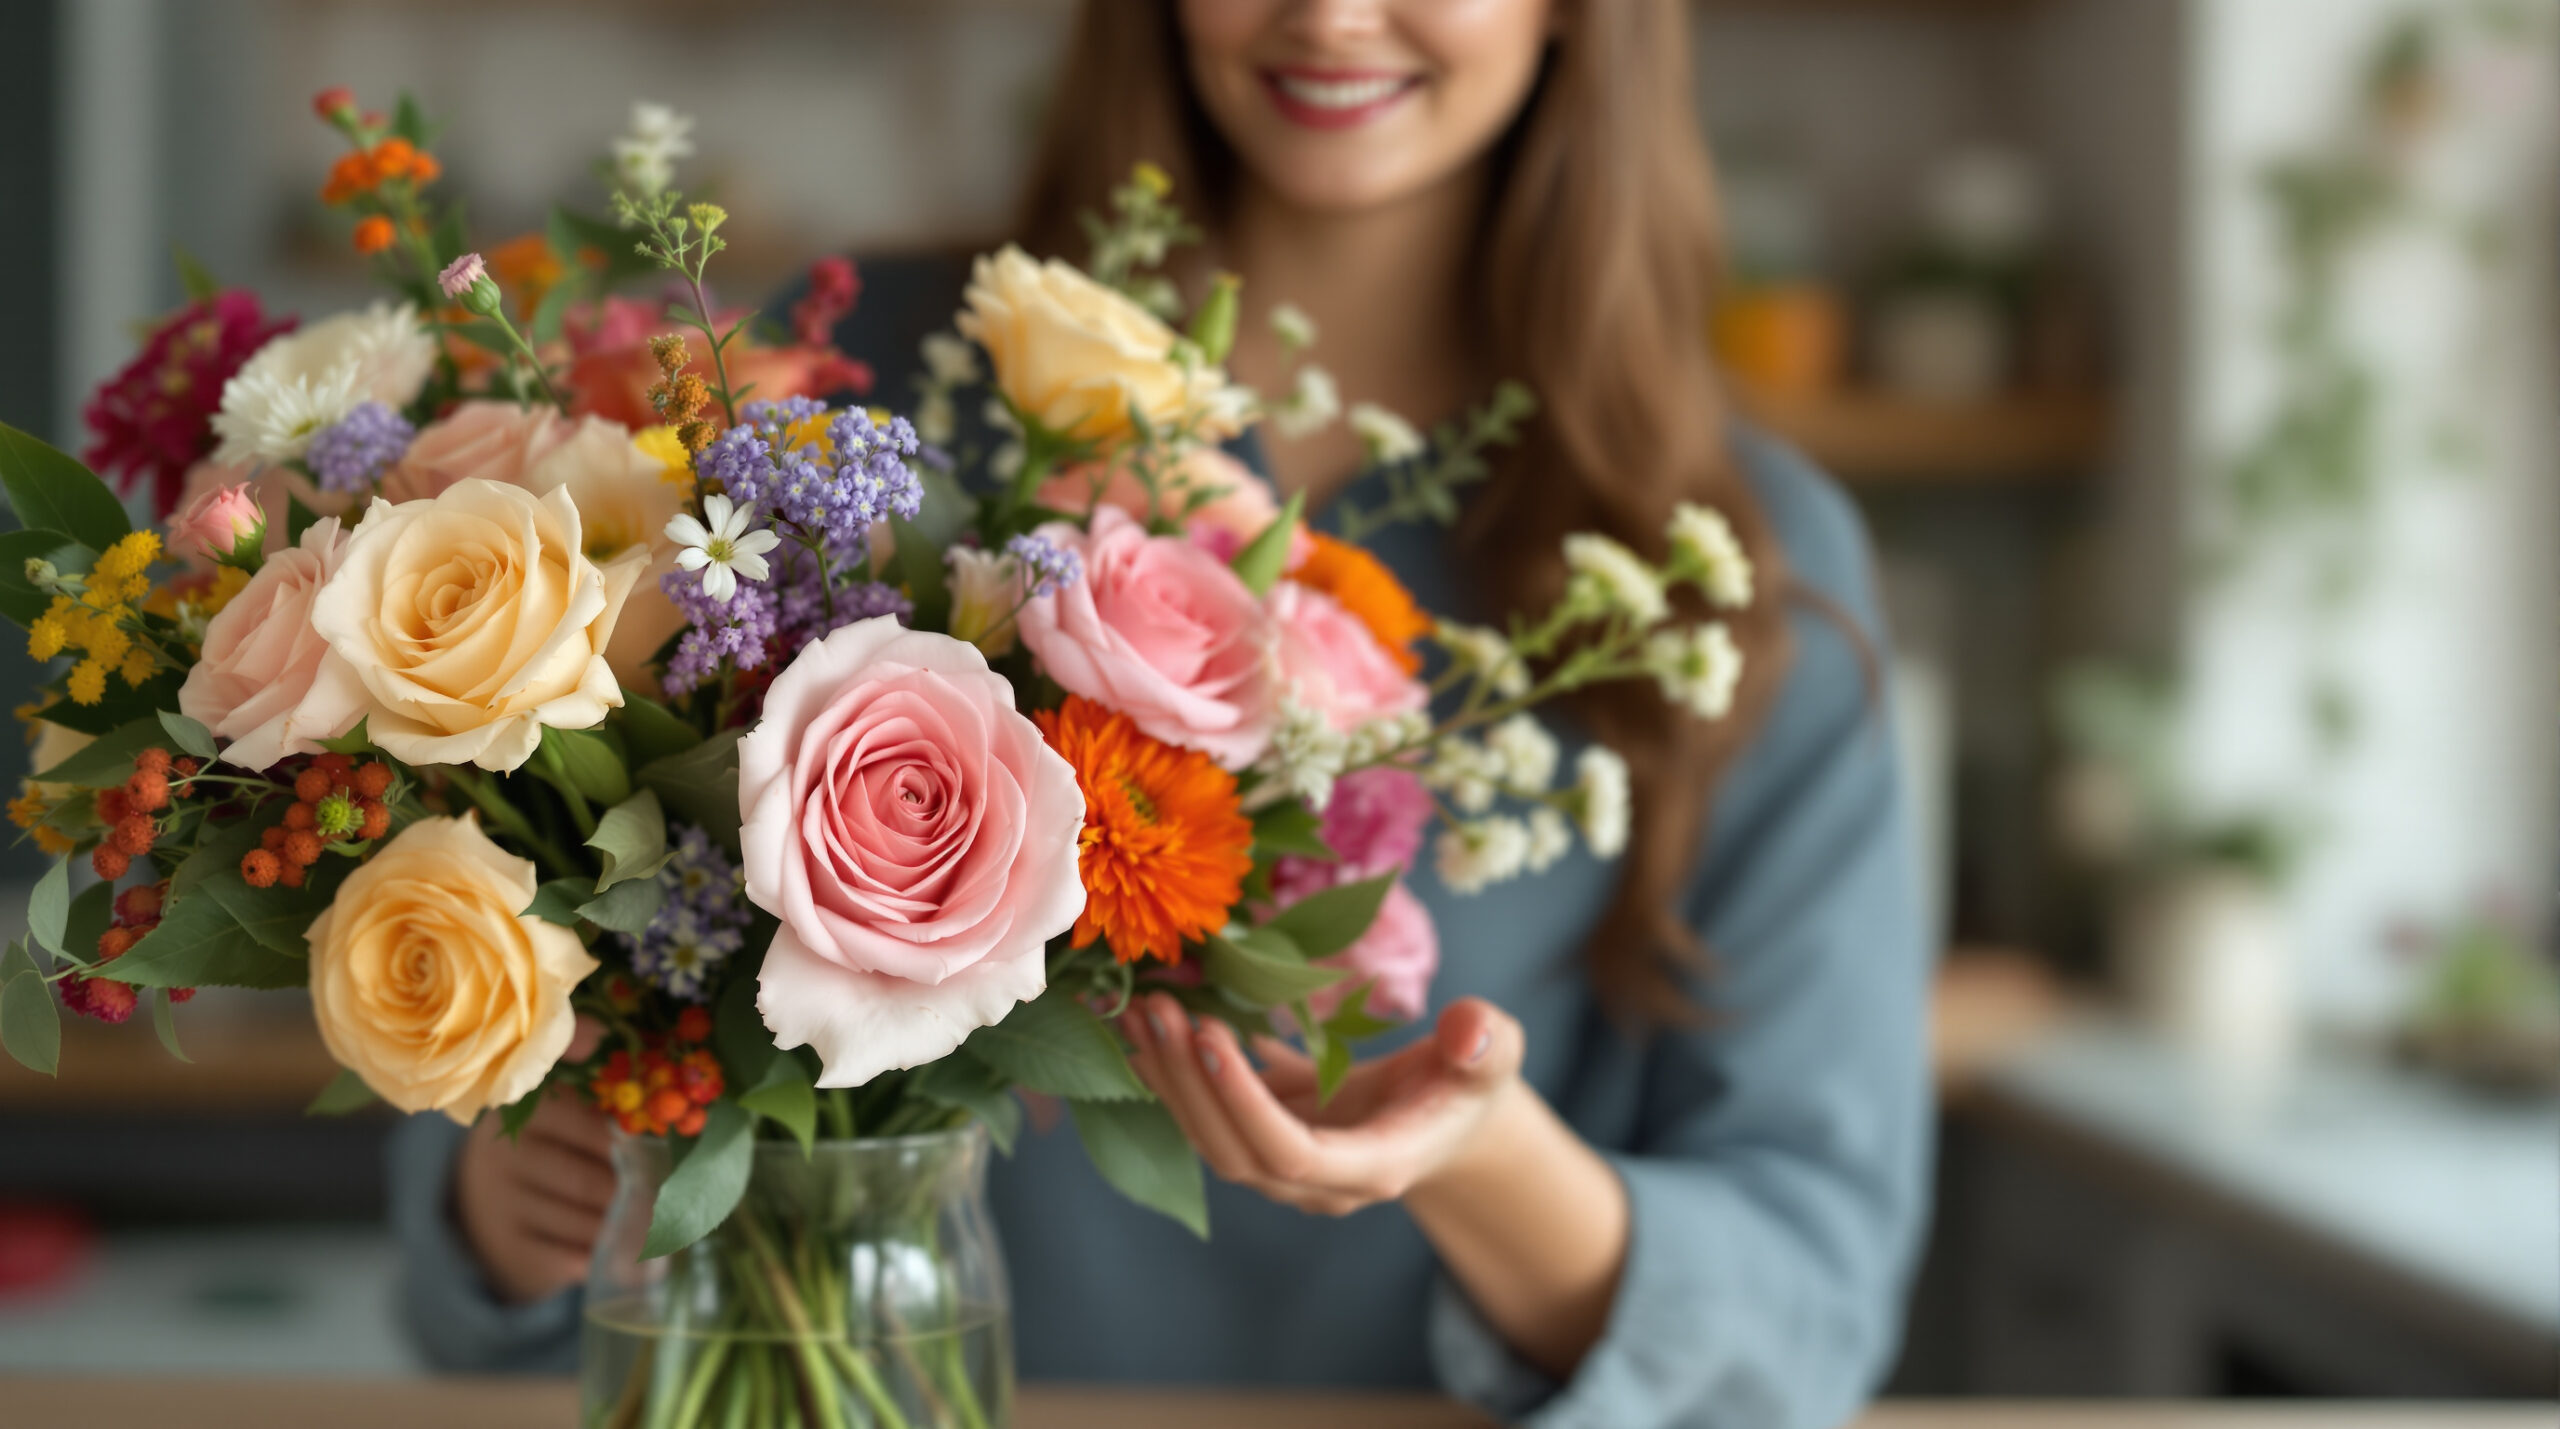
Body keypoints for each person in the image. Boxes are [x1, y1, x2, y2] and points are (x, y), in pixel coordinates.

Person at [390, 3, 1934, 1425]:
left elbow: (1807, 1307)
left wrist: (1479, 1155)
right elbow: (555, 962)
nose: (1330, 14)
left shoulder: (1728, 570)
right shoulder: (855, 396)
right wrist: (517, 1187)